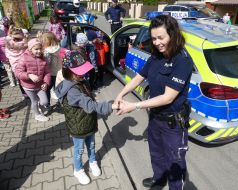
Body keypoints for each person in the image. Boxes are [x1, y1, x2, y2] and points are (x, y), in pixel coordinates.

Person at [115, 15, 193, 190]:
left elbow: (168, 97)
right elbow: (139, 77)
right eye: (154, 38)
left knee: (175, 162)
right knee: (156, 153)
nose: (157, 42)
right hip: (155, 117)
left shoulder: (182, 60)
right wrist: (121, 94)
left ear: (173, 35)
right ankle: (159, 179)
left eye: (161, 38)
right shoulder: (156, 56)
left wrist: (133, 106)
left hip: (174, 124)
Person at [55, 50, 118, 185]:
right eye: (79, 71)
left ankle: (92, 160)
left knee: (92, 144)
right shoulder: (72, 90)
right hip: (78, 127)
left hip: (88, 122)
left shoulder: (80, 81)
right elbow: (90, 106)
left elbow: (88, 98)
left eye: (83, 70)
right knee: (79, 149)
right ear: (69, 71)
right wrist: (111, 106)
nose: (83, 73)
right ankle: (78, 169)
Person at [15, 38, 51, 122]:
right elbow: (18, 72)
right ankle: (37, 115)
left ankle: (41, 108)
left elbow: (47, 72)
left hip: (40, 85)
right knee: (34, 101)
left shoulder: (44, 59)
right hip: (28, 87)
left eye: (40, 49)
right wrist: (29, 75)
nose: (39, 51)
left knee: (45, 101)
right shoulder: (24, 58)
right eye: (36, 49)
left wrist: (46, 82)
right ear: (30, 49)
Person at [40, 32, 65, 106]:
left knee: (47, 88)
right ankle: (61, 102)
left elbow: (47, 63)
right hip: (59, 71)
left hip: (50, 73)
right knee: (59, 87)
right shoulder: (59, 47)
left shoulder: (47, 51)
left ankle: (47, 103)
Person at [5, 27, 28, 97]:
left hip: (15, 65)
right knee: (26, 78)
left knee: (20, 79)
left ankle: (24, 94)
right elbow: (28, 45)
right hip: (24, 64)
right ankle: (29, 91)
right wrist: (25, 38)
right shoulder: (23, 43)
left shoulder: (8, 42)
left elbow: (7, 53)